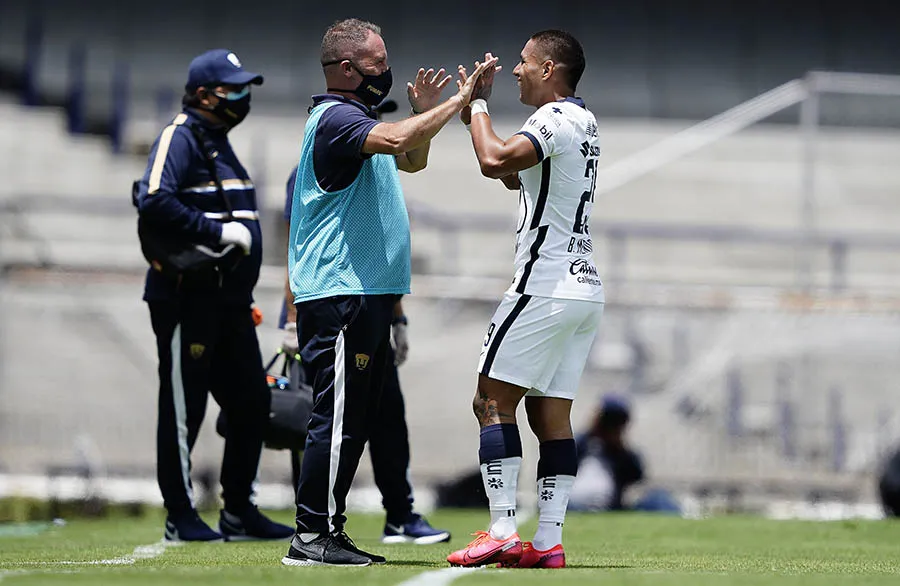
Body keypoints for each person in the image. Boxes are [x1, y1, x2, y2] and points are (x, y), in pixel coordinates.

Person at [281, 18, 495, 567]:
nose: (386, 72)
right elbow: (403, 138)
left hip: (368, 293)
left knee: (356, 419)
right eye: (377, 64)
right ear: (347, 69)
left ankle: (330, 528)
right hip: (339, 293)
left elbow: (411, 157)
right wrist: (461, 102)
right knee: (334, 417)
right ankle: (310, 536)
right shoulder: (335, 119)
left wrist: (426, 112)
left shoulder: (361, 119)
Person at [446, 31, 604, 569]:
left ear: (548, 68)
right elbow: (519, 177)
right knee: (551, 416)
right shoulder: (585, 122)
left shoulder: (551, 118)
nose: (516, 69)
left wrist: (477, 105)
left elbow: (493, 161)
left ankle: (502, 529)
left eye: (523, 62)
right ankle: (548, 542)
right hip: (584, 287)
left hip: (545, 283)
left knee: (490, 402)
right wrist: (471, 116)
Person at [135, 49, 293, 542]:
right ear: (204, 93)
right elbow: (154, 199)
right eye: (233, 89)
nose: (242, 97)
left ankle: (238, 509)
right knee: (186, 408)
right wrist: (219, 231)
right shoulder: (178, 135)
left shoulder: (218, 141)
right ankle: (180, 515)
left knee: (250, 401)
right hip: (188, 297)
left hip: (228, 301)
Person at [280, 161, 451, 545]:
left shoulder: (375, 171)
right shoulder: (316, 168)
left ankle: (395, 514)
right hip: (330, 307)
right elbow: (298, 245)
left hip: (367, 310)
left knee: (382, 415)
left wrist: (398, 317)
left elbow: (381, 250)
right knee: (327, 418)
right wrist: (291, 315)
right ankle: (312, 525)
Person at [570, 395, 644, 511]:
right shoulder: (581, 444)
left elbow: (637, 475)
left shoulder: (620, 453)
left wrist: (619, 447)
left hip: (605, 504)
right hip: (572, 501)